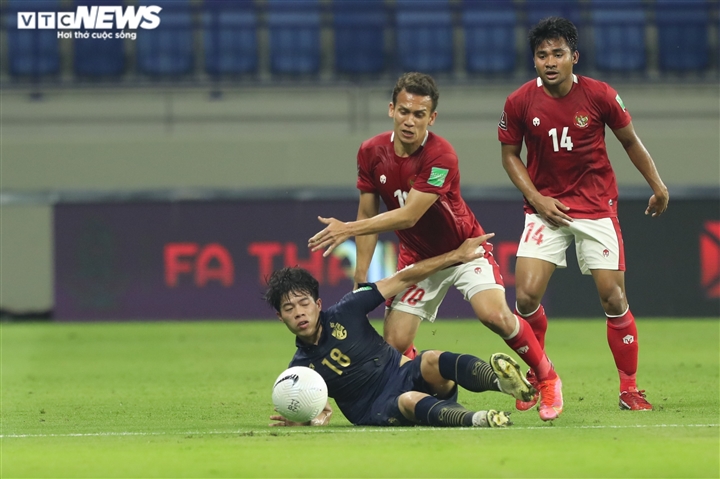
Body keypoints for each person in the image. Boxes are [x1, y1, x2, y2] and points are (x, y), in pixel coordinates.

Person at [307, 72, 563, 422]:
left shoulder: (441, 155)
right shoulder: (370, 152)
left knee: (494, 315)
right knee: (394, 343)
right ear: (391, 109)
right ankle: (424, 385)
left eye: (419, 114)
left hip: (464, 249)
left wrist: (346, 229)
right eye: (404, 111)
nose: (409, 121)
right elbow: (368, 212)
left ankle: (546, 378)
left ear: (432, 118)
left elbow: (409, 216)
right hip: (418, 260)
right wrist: (361, 278)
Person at [498, 17, 669, 411]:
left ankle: (629, 389)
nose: (550, 61)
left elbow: (630, 141)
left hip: (595, 206)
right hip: (547, 209)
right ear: (535, 61)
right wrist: (537, 198)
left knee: (612, 298)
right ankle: (540, 374)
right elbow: (509, 156)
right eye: (542, 55)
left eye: (558, 54)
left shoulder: (600, 95)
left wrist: (657, 185)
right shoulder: (520, 101)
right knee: (525, 297)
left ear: (574, 56)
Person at [267, 234, 536, 428]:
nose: (299, 312)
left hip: (402, 372)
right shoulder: (301, 370)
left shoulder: (347, 309)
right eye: (289, 309)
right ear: (280, 317)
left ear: (318, 304)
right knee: (409, 400)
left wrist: (455, 257)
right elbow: (319, 409)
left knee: (430, 358)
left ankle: (504, 383)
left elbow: (404, 277)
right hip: (375, 408)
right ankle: (477, 419)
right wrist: (307, 418)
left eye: (304, 303)